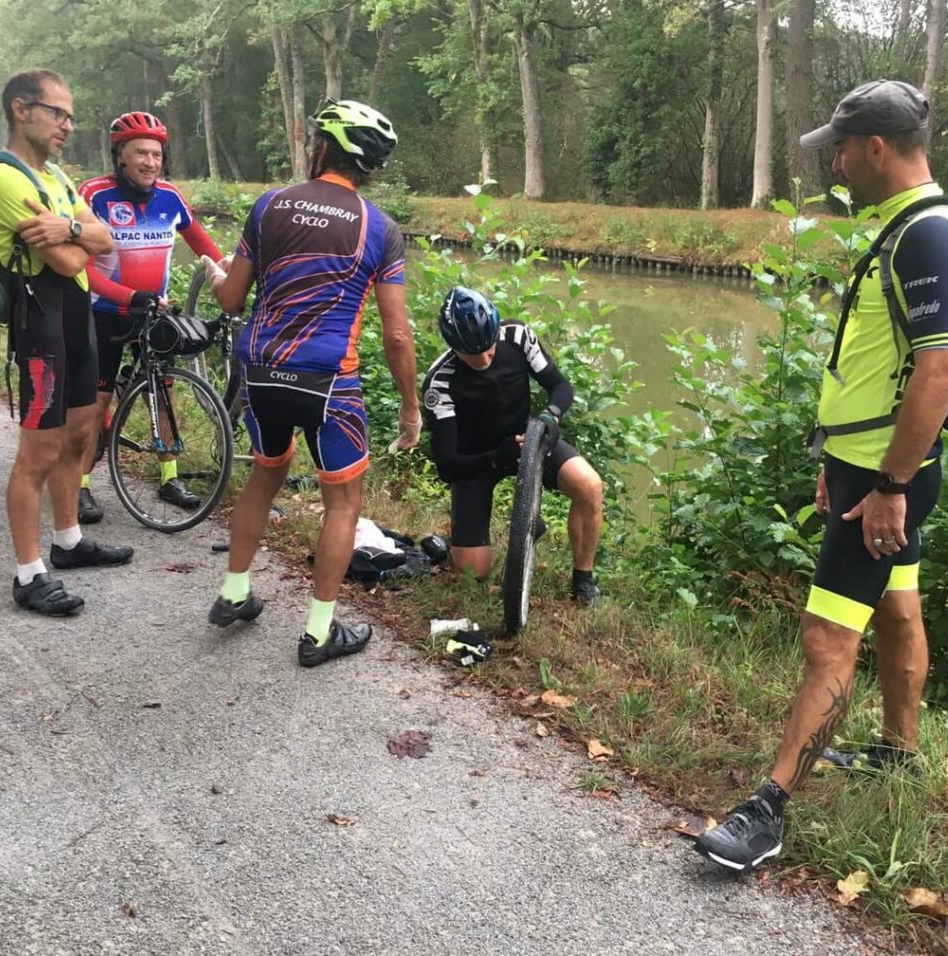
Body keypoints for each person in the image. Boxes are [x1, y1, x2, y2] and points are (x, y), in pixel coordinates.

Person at [696, 80, 948, 871]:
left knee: (828, 636)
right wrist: (842, 462)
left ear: (878, 149)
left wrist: (887, 487)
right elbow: (882, 370)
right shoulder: (906, 228)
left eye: (843, 149)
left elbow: (938, 371)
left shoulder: (929, 235)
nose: (839, 163)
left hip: (888, 478)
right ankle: (900, 749)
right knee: (898, 607)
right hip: (868, 468)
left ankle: (770, 809)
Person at [205, 99, 421, 667]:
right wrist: (410, 408)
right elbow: (398, 337)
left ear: (322, 146)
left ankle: (233, 594)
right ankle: (319, 633)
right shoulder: (381, 228)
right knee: (343, 503)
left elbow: (232, 299)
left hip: (260, 368)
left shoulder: (269, 204)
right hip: (328, 380)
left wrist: (214, 276)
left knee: (264, 477)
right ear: (369, 166)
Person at [0, 70, 133, 616]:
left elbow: (105, 240)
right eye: (58, 113)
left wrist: (68, 230)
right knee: (37, 452)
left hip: (76, 318)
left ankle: (68, 543)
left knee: (79, 434)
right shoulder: (2, 177)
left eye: (70, 115)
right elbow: (71, 260)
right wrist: (78, 236)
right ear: (22, 109)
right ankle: (28, 574)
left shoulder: (57, 177)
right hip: (39, 323)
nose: (68, 124)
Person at [76, 111, 225, 522]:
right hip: (103, 313)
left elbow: (206, 248)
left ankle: (170, 476)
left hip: (153, 312)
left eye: (156, 154)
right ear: (120, 156)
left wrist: (231, 278)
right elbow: (78, 266)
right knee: (96, 402)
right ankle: (81, 487)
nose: (149, 162)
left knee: (165, 392)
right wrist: (128, 295)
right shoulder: (94, 195)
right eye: (139, 152)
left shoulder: (170, 197)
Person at [421, 286, 604, 605]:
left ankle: (583, 581)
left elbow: (560, 386)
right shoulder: (440, 381)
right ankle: (460, 542)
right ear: (453, 347)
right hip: (476, 458)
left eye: (490, 350)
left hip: (528, 441)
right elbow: (448, 465)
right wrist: (494, 458)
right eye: (472, 355)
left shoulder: (517, 336)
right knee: (472, 572)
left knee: (589, 486)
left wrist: (551, 416)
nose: (484, 360)